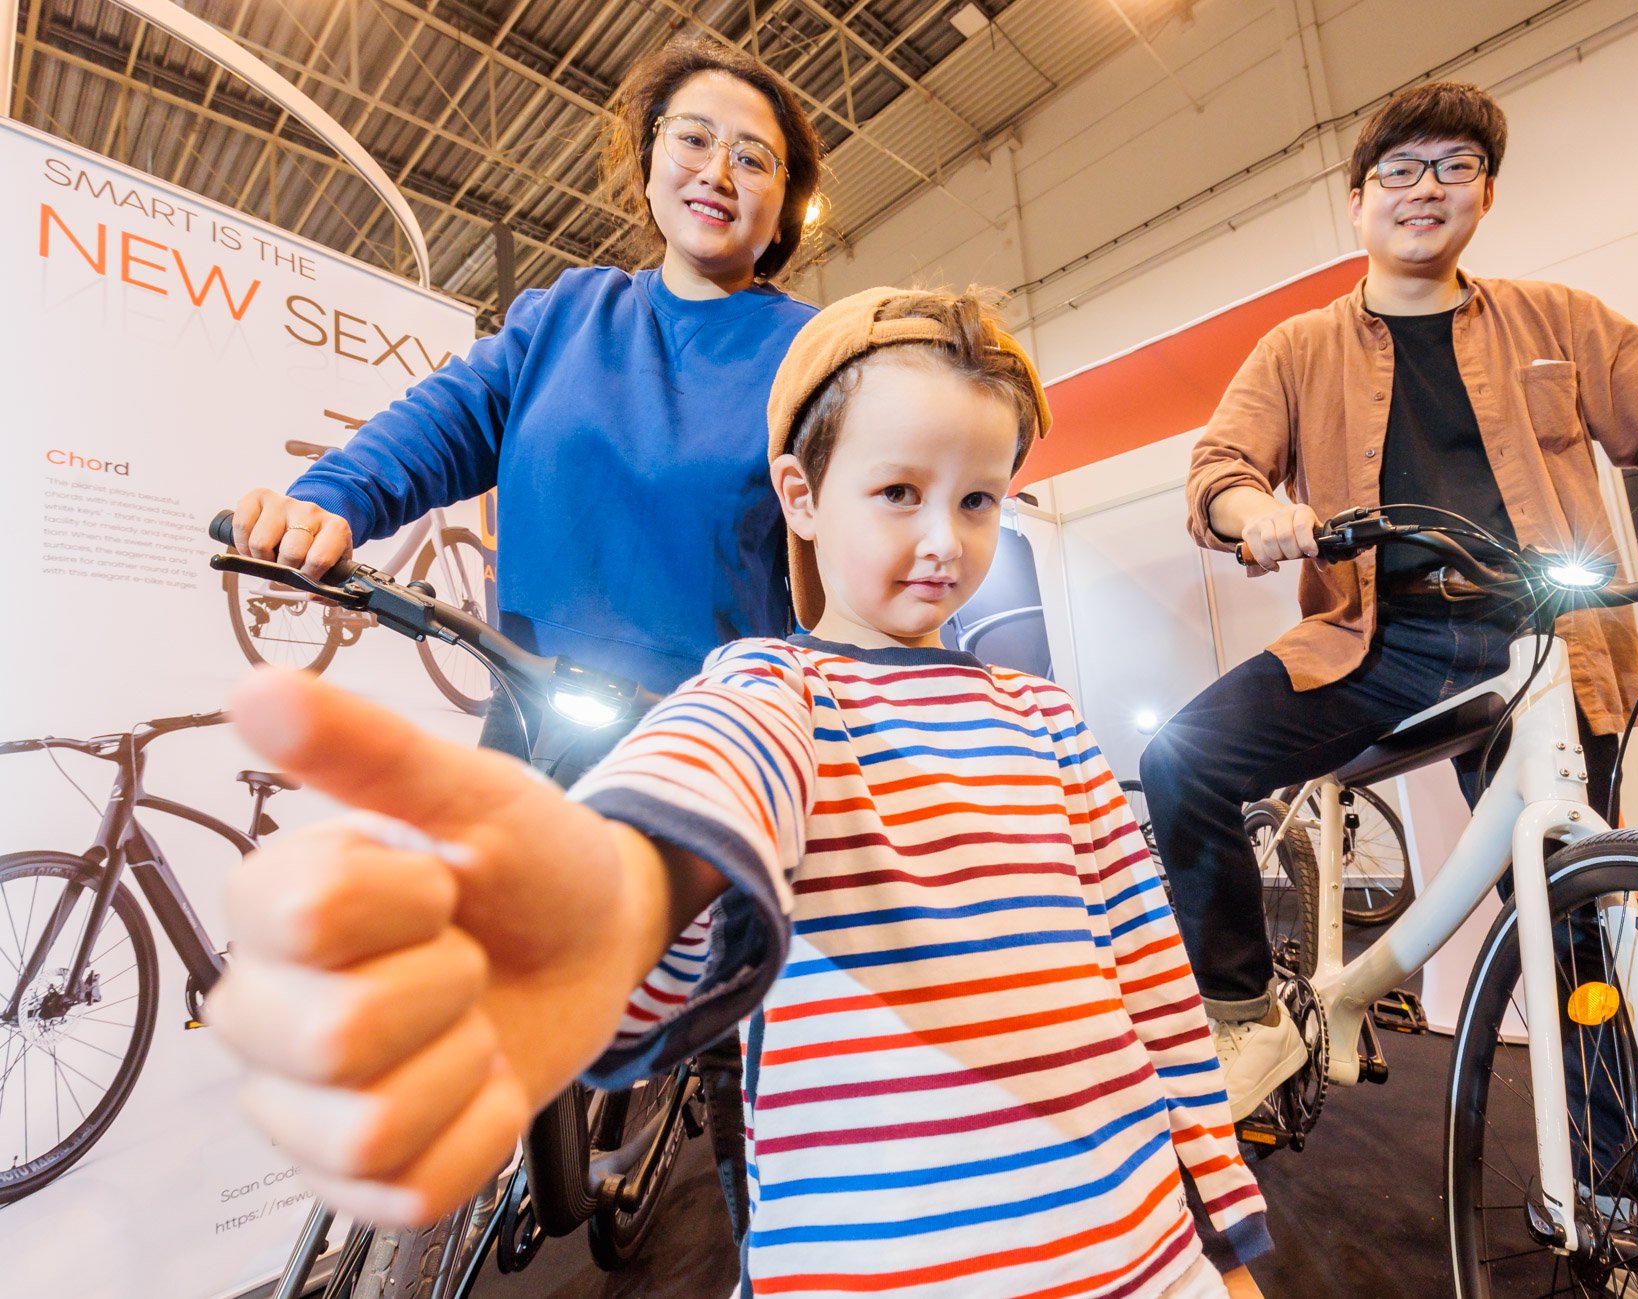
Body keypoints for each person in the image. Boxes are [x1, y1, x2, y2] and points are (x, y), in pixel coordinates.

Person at [206, 288, 1271, 1299]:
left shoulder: (1047, 720)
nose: (945, 541)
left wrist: (1222, 1239)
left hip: (1144, 1255)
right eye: (898, 491)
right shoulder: (776, 690)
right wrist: (606, 898)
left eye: (978, 499)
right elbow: (708, 778)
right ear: (801, 499)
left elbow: (1159, 1000)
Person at [1138, 80, 1638, 1125]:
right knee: (1182, 759)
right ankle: (1243, 1016)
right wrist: (1255, 514)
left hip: (1548, 644)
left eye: (1454, 167)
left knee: (1571, 912)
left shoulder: (1560, 322)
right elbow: (1222, 468)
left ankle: (1613, 1189)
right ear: (1358, 200)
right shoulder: (1299, 348)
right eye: (1399, 171)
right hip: (1371, 639)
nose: (1426, 189)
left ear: (1486, 193)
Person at [228, 36, 823, 715]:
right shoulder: (564, 314)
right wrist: (328, 499)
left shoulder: (809, 350)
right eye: (693, 138)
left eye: (751, 158)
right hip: (536, 722)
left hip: (718, 742)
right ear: (651, 158)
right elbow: (443, 420)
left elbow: (851, 558)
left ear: (784, 208)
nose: (717, 172)